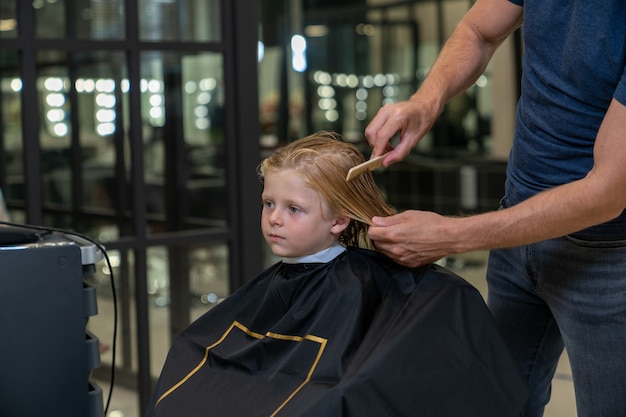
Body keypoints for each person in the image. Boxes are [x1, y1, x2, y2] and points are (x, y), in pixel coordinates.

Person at [145, 132, 528, 417]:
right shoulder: (276, 285)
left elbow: (356, 385)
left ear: (339, 219)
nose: (274, 217)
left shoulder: (372, 287)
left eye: (294, 208)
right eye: (269, 203)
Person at [364, 1, 626, 416]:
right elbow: (479, 31)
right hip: (516, 225)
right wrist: (425, 101)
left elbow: (608, 191)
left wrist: (450, 236)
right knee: (493, 401)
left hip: (607, 255)